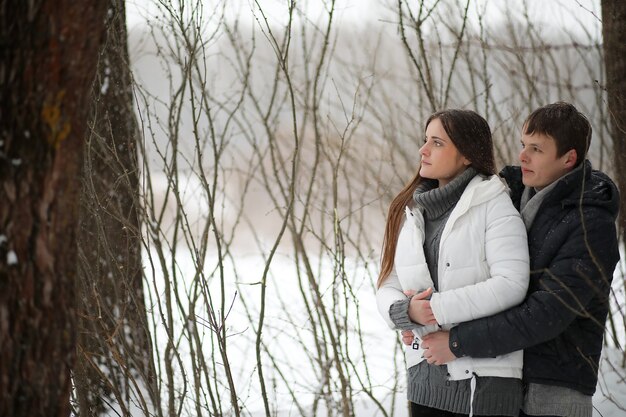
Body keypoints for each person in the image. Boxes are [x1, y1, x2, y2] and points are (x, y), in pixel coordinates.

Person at [419, 102, 620, 417]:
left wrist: (457, 342)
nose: (523, 156)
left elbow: (547, 313)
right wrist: (420, 316)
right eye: (523, 145)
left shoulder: (591, 224)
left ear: (569, 158)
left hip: (554, 386)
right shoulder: (505, 193)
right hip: (496, 372)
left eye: (537, 149)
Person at [376, 109, 530, 417]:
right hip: (424, 380)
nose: (423, 150)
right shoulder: (411, 212)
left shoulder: (494, 205)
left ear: (467, 156)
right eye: (425, 141)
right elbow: (388, 283)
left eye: (436, 143)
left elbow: (512, 284)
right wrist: (405, 312)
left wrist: (434, 309)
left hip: (481, 384)